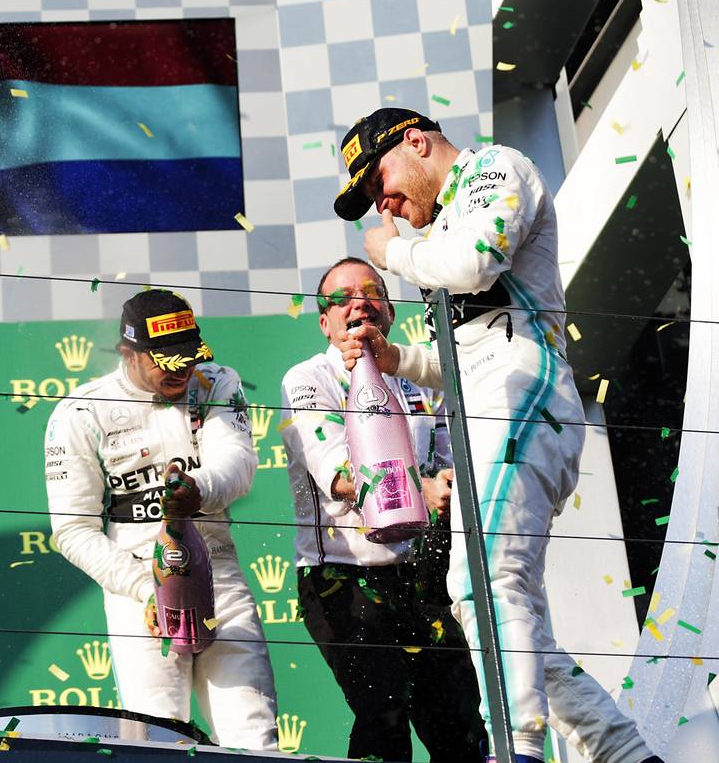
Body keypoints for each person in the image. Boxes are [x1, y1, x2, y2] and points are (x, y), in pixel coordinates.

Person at [333, 107, 659, 763]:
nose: (383, 203)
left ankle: (516, 749)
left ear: (416, 142)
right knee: (508, 618)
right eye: (370, 197)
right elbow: (459, 359)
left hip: (524, 395)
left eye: (379, 181)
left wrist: (394, 254)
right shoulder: (439, 234)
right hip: (489, 407)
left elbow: (478, 263)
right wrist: (398, 359)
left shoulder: (494, 168)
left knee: (481, 580)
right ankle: (628, 754)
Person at [44, 290, 278, 750]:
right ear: (128, 354)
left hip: (217, 573)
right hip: (137, 586)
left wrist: (197, 490)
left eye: (189, 357)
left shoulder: (216, 382)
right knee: (159, 739)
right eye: (167, 362)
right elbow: (72, 530)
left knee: (253, 737)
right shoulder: (80, 411)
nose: (182, 370)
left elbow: (237, 463)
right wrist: (144, 588)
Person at [280, 257, 486, 762]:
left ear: (390, 311)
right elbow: (340, 475)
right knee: (384, 711)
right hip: (342, 577)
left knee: (461, 724)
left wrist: (446, 484)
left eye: (372, 291)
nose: (360, 303)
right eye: (342, 298)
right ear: (325, 322)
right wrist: (421, 487)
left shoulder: (420, 376)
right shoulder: (306, 379)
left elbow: (450, 462)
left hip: (426, 574)